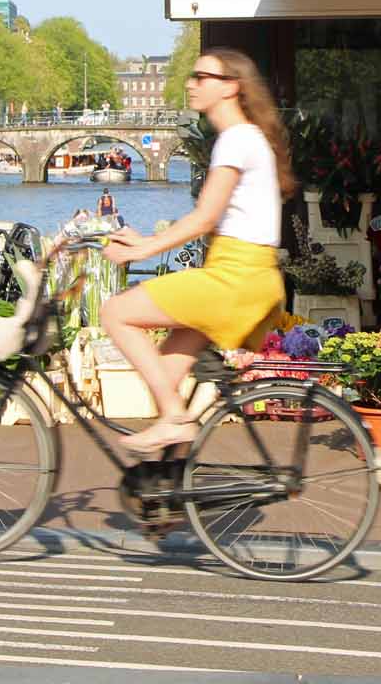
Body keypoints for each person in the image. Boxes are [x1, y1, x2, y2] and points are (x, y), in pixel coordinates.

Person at [100, 49, 293, 453]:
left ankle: (175, 422)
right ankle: (168, 495)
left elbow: (206, 218)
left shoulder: (237, 139)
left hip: (235, 279)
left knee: (114, 313)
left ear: (230, 88)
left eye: (202, 76)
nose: (191, 83)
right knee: (165, 378)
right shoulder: (247, 138)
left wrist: (144, 251)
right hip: (243, 275)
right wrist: (143, 241)